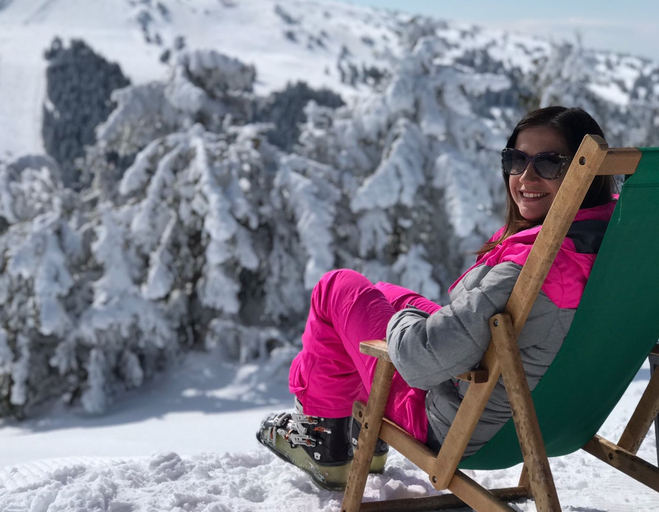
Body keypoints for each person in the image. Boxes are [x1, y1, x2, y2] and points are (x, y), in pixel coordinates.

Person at [256, 106, 618, 491]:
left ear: (585, 174)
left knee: (337, 289)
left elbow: (419, 363)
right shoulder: (617, 248)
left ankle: (322, 441)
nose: (526, 177)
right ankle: (357, 435)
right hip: (555, 417)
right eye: (516, 160)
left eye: (549, 164)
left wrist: (402, 323)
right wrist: (405, 313)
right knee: (386, 295)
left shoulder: (531, 270)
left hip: (464, 423)